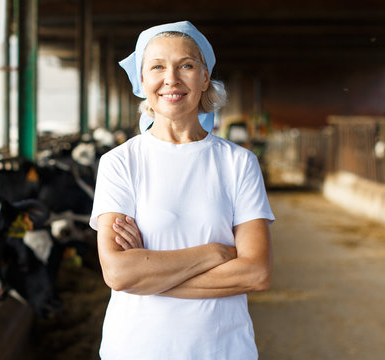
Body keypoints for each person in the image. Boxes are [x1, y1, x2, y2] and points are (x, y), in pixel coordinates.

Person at [89, 20, 275, 359]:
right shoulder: (120, 163)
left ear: (204, 78)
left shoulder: (239, 163)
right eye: (157, 66)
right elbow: (118, 272)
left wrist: (150, 278)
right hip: (135, 348)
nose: (171, 79)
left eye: (186, 65)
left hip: (222, 348)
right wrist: (214, 254)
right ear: (142, 80)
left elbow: (256, 272)